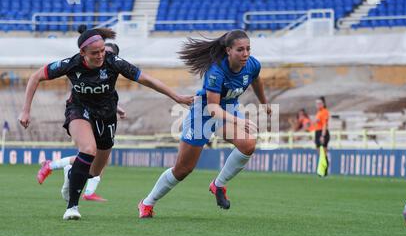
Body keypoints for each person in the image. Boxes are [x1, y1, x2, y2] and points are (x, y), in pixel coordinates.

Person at [18, 26, 193, 220]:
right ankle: (72, 208)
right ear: (82, 53)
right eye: (95, 53)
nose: (100, 55)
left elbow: (146, 80)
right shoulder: (70, 64)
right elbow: (36, 77)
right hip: (79, 110)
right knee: (88, 149)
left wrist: (176, 96)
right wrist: (26, 110)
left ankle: (70, 171)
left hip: (107, 116)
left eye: (102, 51)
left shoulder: (113, 62)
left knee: (94, 171)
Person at [137, 29, 271, 218]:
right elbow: (213, 108)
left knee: (248, 143)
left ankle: (218, 185)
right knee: (183, 170)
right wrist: (240, 120)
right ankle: (147, 203)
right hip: (204, 113)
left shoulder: (252, 64)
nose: (246, 54)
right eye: (240, 50)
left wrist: (264, 102)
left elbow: (256, 79)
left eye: (248, 49)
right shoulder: (216, 71)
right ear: (228, 51)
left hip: (228, 111)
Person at [36, 42, 125, 203]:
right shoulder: (82, 70)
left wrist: (116, 108)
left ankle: (63, 170)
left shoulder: (110, 73)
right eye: (99, 53)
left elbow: (105, 97)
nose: (102, 57)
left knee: (98, 159)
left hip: (102, 118)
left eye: (106, 53)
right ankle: (56, 168)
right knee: (89, 153)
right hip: (82, 116)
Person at [314, 96, 330, 177]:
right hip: (317, 132)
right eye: (317, 103)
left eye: (320, 103)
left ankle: (325, 171)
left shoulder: (325, 112)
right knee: (319, 153)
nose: (318, 105)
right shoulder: (318, 112)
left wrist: (323, 136)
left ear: (323, 104)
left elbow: (325, 125)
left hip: (322, 133)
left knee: (323, 152)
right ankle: (321, 170)